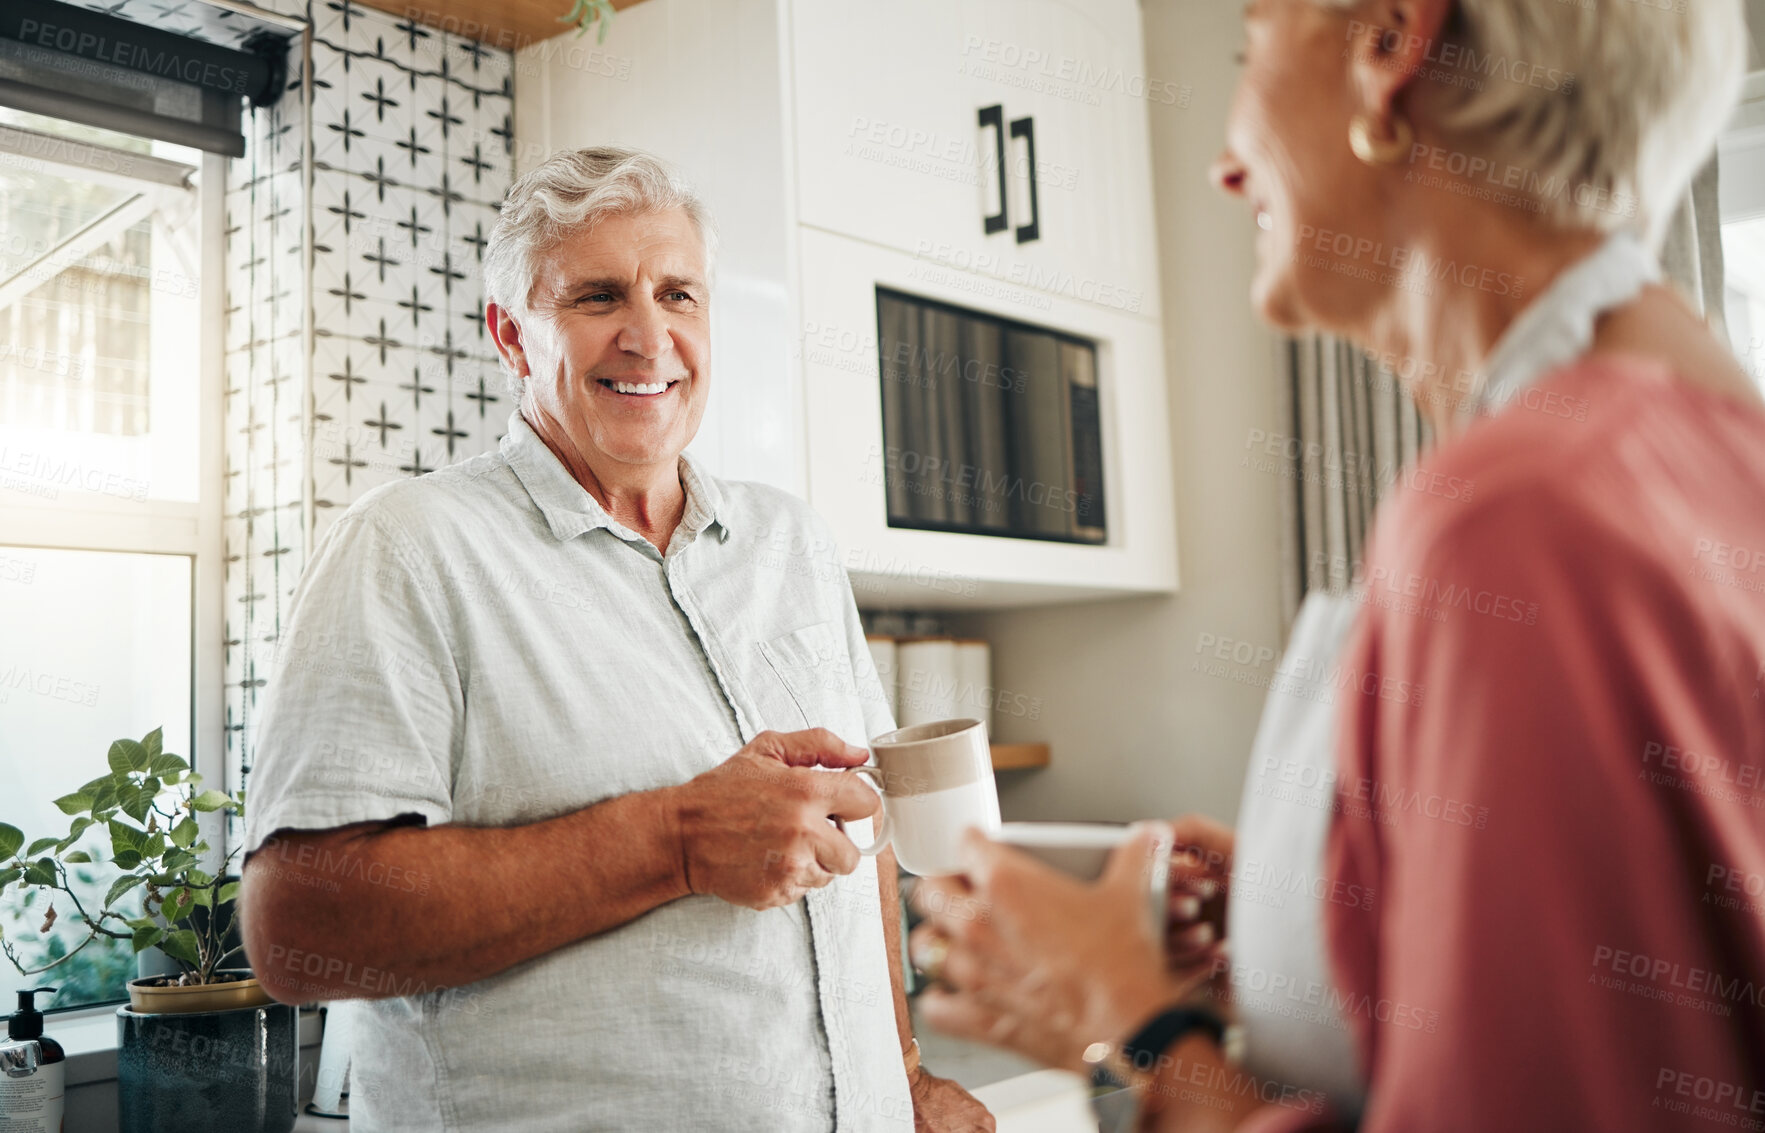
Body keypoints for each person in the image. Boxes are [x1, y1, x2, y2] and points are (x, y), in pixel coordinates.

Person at [910, 0, 1765, 1129]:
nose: (1223, 166)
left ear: (1387, 45)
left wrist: (1127, 1018)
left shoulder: (1516, 518)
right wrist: (1323, 907)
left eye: (1246, 51)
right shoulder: (1691, 440)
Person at [238, 147, 991, 1133]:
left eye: (678, 292)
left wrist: (904, 1069)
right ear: (511, 336)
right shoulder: (409, 546)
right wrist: (676, 839)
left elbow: (866, 842)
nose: (649, 335)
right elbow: (296, 927)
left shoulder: (790, 541)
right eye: (598, 296)